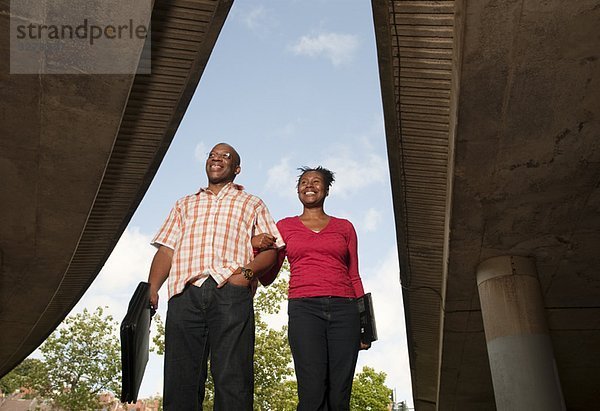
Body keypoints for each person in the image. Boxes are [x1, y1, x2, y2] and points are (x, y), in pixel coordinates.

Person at [147, 143, 284, 411]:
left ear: (237, 168)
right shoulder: (184, 204)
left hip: (230, 292)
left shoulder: (252, 203)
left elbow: (272, 250)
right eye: (212, 155)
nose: (216, 159)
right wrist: (152, 288)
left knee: (233, 377)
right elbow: (166, 249)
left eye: (225, 156)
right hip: (185, 293)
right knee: (180, 380)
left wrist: (245, 274)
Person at [253, 166, 369, 411]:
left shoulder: (345, 227)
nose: (309, 185)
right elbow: (268, 276)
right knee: (312, 392)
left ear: (326, 190)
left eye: (316, 182)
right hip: (304, 310)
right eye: (304, 182)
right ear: (297, 190)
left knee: (339, 395)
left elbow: (355, 275)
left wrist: (366, 326)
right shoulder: (284, 227)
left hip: (344, 310)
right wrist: (256, 247)